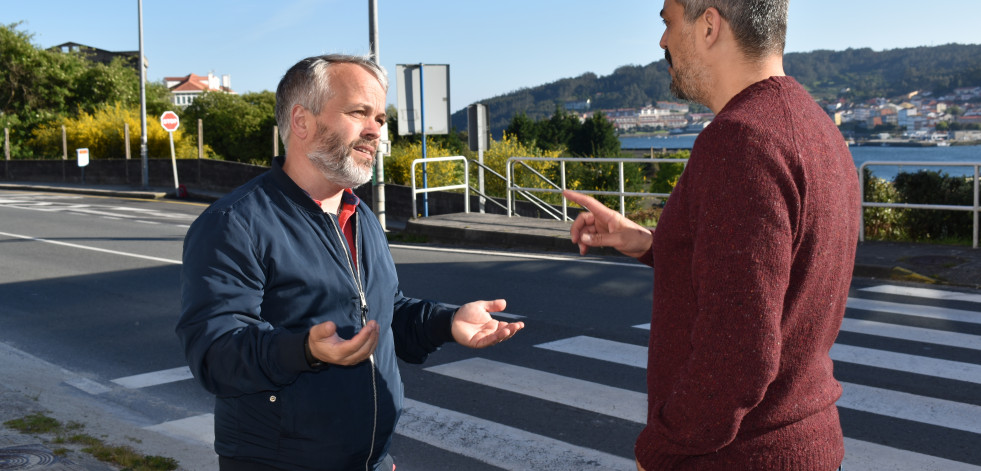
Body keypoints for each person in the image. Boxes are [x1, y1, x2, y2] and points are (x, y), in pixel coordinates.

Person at [176, 54, 524, 471]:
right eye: (359, 112)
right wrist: (304, 349)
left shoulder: (359, 216)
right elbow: (214, 353)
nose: (376, 130)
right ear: (302, 121)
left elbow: (383, 314)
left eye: (380, 117)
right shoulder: (234, 224)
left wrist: (447, 323)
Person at [565, 0, 859, 470]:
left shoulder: (741, 140)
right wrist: (648, 243)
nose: (662, 41)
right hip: (807, 443)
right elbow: (765, 273)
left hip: (737, 456)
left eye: (667, 21)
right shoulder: (817, 128)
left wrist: (660, 451)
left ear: (708, 25)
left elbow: (737, 357)